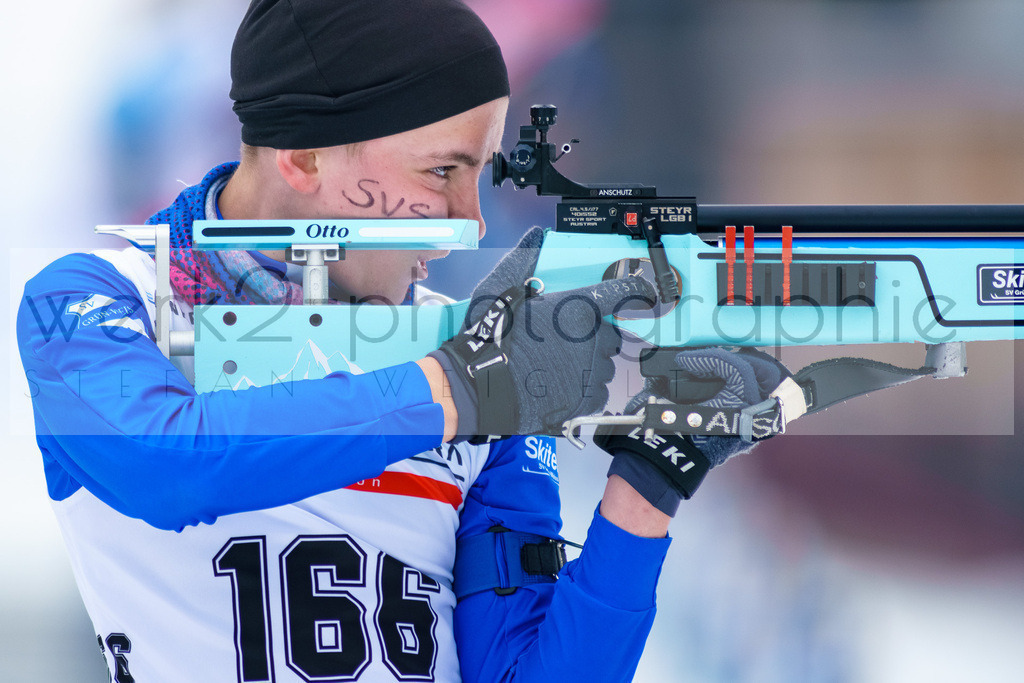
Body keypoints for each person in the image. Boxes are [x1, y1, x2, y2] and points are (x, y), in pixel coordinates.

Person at [17, 1, 782, 680]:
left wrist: (647, 487)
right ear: (305, 157)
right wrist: (456, 386)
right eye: (442, 170)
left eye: (479, 173)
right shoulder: (93, 300)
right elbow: (169, 463)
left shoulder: (466, 346)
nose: (470, 222)